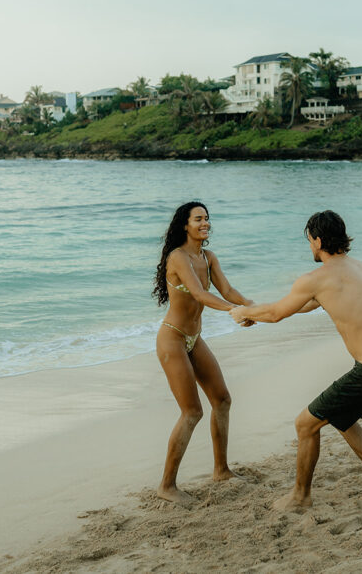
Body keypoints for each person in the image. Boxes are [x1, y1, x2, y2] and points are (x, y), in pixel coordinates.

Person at [229, 210, 362, 510]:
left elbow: (276, 314)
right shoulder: (356, 267)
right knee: (342, 416)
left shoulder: (316, 278)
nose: (309, 245)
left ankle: (300, 496)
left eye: (309, 240)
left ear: (318, 240)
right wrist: (257, 310)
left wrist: (244, 313)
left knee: (305, 424)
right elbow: (308, 303)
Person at [153, 201, 253, 504]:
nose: (204, 223)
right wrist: (234, 311)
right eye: (198, 219)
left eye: (207, 218)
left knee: (222, 400)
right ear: (185, 225)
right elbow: (199, 294)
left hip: (194, 339)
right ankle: (167, 486)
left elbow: (227, 290)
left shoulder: (208, 257)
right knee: (192, 412)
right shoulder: (178, 257)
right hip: (172, 339)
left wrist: (254, 308)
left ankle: (221, 470)